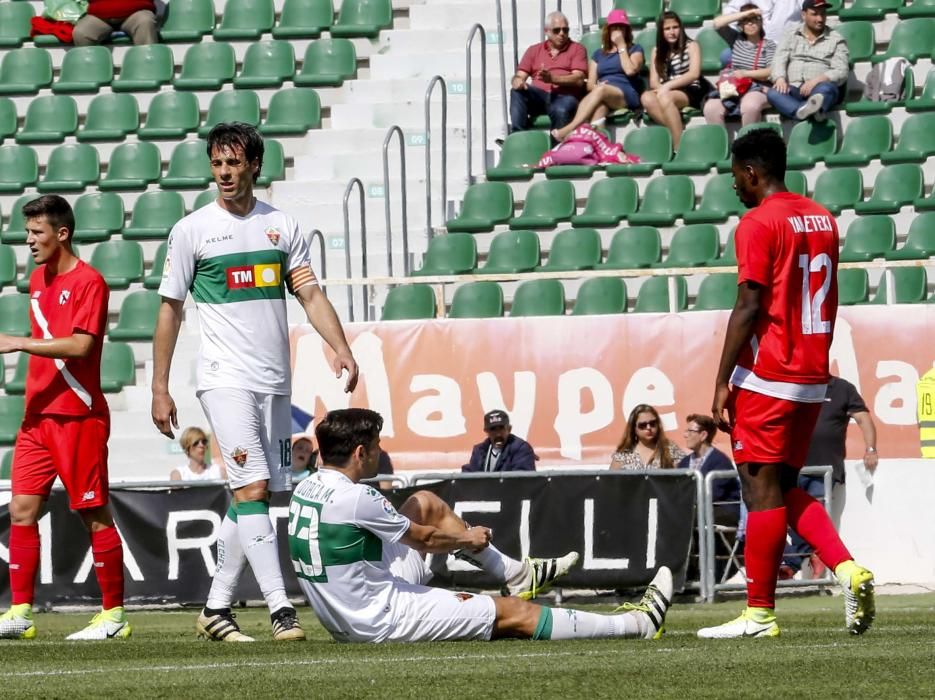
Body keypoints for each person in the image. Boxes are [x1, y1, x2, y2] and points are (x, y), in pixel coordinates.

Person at [151, 122, 360, 643]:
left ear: (254, 166)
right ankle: (280, 608)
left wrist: (340, 346)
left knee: (256, 500)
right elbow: (170, 311)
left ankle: (216, 607)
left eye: (233, 163)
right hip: (225, 378)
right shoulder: (192, 230)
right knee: (253, 488)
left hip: (273, 381)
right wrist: (160, 385)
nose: (224, 173)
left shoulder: (280, 226)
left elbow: (310, 295)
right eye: (217, 163)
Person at [288, 408, 673, 644]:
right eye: (376, 446)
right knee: (513, 614)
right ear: (360, 452)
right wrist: (466, 537)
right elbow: (427, 539)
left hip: (348, 609)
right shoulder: (358, 497)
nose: (378, 453)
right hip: (381, 617)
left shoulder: (306, 487)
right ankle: (636, 623)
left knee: (425, 502)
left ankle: (515, 572)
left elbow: (420, 523)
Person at [699, 128, 874, 639]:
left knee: (759, 490)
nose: (734, 186)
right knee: (786, 486)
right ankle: (847, 569)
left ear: (752, 173)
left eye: (736, 177)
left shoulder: (757, 223)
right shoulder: (822, 218)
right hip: (812, 374)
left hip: (767, 374)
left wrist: (722, 382)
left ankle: (759, 614)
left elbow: (749, 305)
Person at [0, 195, 130, 640]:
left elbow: (80, 346)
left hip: (77, 415)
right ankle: (20, 613)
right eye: (27, 231)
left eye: (37, 232)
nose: (29, 240)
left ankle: (113, 616)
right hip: (37, 416)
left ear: (62, 233)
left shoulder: (90, 281)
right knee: (22, 509)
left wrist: (17, 343)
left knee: (93, 513)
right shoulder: (37, 278)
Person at [781, 376, 878, 577]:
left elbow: (863, 417)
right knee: (791, 518)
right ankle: (810, 556)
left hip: (825, 468)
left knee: (813, 516)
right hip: (792, 465)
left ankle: (793, 563)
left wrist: (870, 449)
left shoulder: (842, 388)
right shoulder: (794, 386)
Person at [551, 9, 645, 141]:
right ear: (608, 30)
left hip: (626, 93)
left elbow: (630, 70)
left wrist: (621, 46)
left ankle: (571, 127)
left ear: (627, 30)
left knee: (602, 90)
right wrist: (596, 87)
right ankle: (594, 146)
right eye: (614, 28)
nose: (618, 32)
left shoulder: (635, 49)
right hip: (603, 93)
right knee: (600, 107)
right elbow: (590, 84)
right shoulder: (598, 54)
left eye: (621, 28)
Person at [679, 414, 741, 583]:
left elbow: (713, 494)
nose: (685, 435)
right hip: (694, 513)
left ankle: (690, 574)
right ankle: (683, 573)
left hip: (722, 512)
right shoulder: (684, 463)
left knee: (686, 519)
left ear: (703, 435)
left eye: (690, 431)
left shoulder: (720, 462)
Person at [766, 0, 849, 121]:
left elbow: (841, 71)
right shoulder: (790, 34)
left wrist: (816, 81)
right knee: (773, 93)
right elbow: (779, 59)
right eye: (815, 14)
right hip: (793, 88)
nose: (820, 19)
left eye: (823, 14)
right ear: (803, 15)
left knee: (827, 89)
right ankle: (810, 111)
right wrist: (779, 78)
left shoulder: (836, 39)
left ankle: (802, 110)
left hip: (819, 88)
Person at [509, 12, 588, 135]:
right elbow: (519, 75)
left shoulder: (577, 49)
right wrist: (517, 81)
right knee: (517, 91)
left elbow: (578, 79)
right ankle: (518, 138)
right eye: (557, 30)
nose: (562, 33)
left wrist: (553, 79)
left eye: (565, 30)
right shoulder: (533, 50)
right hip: (539, 97)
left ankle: (557, 149)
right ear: (547, 31)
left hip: (565, 97)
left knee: (560, 109)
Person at [640, 11, 708, 151]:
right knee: (646, 97)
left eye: (675, 27)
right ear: (661, 31)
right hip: (667, 90)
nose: (672, 32)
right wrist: (662, 88)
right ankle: (677, 130)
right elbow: (653, 81)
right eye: (667, 28)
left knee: (665, 97)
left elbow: (694, 74)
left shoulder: (692, 45)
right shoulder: (656, 51)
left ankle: (678, 147)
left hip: (690, 89)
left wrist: (667, 87)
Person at [703, 5, 777, 127]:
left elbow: (770, 71)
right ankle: (722, 144)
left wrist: (746, 73)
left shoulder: (769, 45)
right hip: (735, 88)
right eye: (746, 21)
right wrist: (746, 13)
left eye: (754, 20)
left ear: (761, 22)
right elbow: (717, 23)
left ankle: (747, 143)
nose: (750, 24)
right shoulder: (736, 39)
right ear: (741, 25)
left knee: (749, 105)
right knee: (711, 107)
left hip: (760, 88)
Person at [610, 404, 686, 470]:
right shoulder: (624, 454)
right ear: (634, 428)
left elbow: (683, 477)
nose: (648, 428)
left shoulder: (670, 448)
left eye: (652, 423)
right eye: (643, 425)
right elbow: (609, 482)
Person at [462, 410, 536, 472]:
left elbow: (522, 479)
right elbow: (471, 475)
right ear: (486, 432)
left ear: (509, 429)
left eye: (501, 428)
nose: (498, 434)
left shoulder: (521, 449)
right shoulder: (479, 451)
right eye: (493, 429)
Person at [73, 0, 159, 46]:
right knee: (81, 32)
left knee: (145, 22)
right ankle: (91, 75)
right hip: (99, 15)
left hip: (136, 12)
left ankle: (148, 71)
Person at [722, 0, 802, 45]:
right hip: (756, 45)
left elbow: (810, 12)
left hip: (788, 44)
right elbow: (728, 14)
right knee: (726, 56)